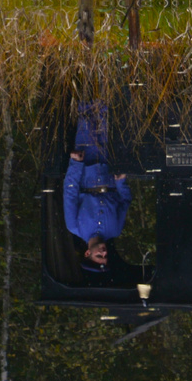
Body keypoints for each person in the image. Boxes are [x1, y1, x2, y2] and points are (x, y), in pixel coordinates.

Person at [64, 106, 132, 272]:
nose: (104, 253)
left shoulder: (74, 227)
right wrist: (121, 182)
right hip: (110, 166)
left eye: (99, 256)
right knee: (109, 115)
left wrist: (75, 164)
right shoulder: (115, 230)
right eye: (105, 256)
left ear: (88, 253)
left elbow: (70, 193)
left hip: (86, 165)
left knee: (86, 113)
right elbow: (125, 201)